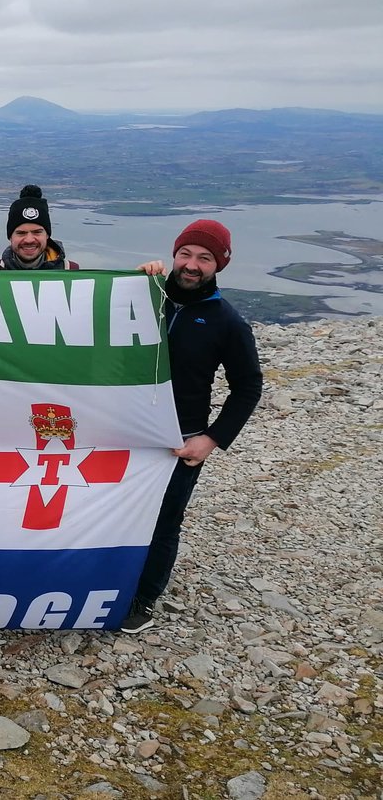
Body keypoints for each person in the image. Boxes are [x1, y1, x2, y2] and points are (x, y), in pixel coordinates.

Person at [121, 219, 262, 634]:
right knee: (116, 512)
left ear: (220, 265)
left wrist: (213, 439)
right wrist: (133, 282)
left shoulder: (227, 322)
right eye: (185, 254)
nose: (192, 265)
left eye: (205, 258)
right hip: (127, 432)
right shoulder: (149, 296)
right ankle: (103, 582)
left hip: (179, 442)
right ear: (174, 254)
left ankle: (143, 599)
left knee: (164, 521)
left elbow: (249, 386)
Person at [0, 185, 79, 271]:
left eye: (37, 232)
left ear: (47, 235)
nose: (29, 240)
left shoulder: (72, 272)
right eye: (21, 233)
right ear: (10, 237)